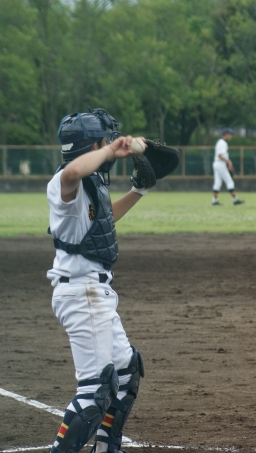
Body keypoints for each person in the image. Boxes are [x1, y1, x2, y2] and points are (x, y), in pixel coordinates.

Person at [46, 109, 146, 453]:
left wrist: (140, 190)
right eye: (103, 140)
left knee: (126, 371)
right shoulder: (65, 181)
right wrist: (111, 150)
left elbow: (103, 221)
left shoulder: (91, 185)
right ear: (93, 146)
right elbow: (73, 170)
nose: (109, 144)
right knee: (95, 391)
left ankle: (106, 447)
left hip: (95, 291)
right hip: (81, 293)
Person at [211, 127, 244, 206]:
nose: (231, 136)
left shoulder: (220, 142)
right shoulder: (223, 143)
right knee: (229, 182)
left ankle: (214, 201)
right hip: (220, 164)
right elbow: (219, 155)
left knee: (217, 183)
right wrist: (228, 161)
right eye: (230, 134)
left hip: (217, 164)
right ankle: (235, 200)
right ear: (226, 134)